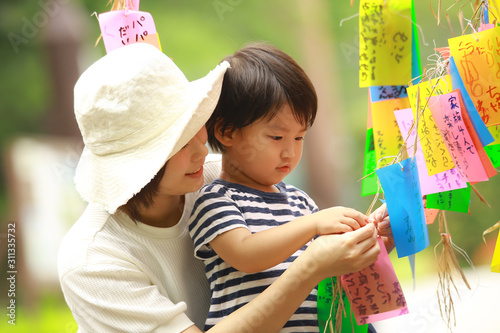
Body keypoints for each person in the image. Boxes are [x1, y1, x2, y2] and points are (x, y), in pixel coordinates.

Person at [58, 42, 384, 333]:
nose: (203, 150)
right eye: (180, 141)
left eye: (195, 125)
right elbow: (297, 259)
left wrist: (372, 236)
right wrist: (312, 264)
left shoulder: (226, 174)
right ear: (140, 166)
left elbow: (326, 261)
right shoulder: (93, 260)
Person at [188, 43, 393, 332]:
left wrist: (375, 241)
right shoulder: (216, 199)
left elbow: (331, 269)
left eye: (299, 138)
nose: (290, 153)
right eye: (276, 137)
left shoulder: (300, 201)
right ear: (226, 132)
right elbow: (246, 254)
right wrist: (312, 224)